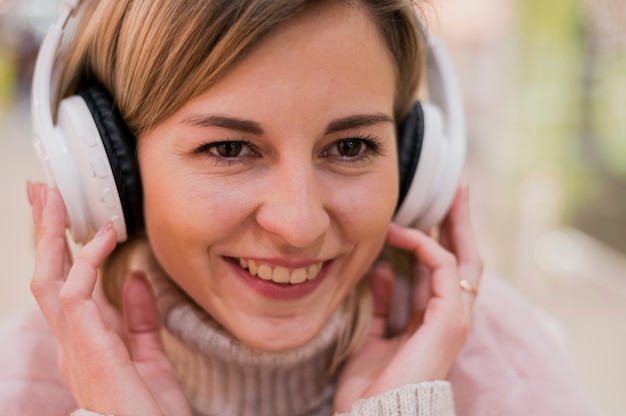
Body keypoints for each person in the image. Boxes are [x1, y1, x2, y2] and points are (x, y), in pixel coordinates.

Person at [0, 0, 597, 415]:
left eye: (350, 146)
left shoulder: (516, 375)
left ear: (418, 161)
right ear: (106, 166)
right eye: (229, 148)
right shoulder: (21, 387)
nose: (299, 224)